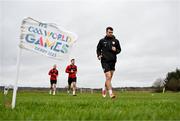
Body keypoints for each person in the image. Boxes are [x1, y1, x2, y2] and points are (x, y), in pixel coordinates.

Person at [96, 27, 121, 98]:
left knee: (109, 78)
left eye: (111, 32)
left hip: (113, 61)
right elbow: (98, 49)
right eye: (109, 32)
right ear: (106, 32)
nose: (110, 33)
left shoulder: (116, 41)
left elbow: (119, 50)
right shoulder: (102, 41)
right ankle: (111, 93)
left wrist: (116, 49)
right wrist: (98, 55)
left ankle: (104, 88)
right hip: (104, 61)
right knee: (108, 76)